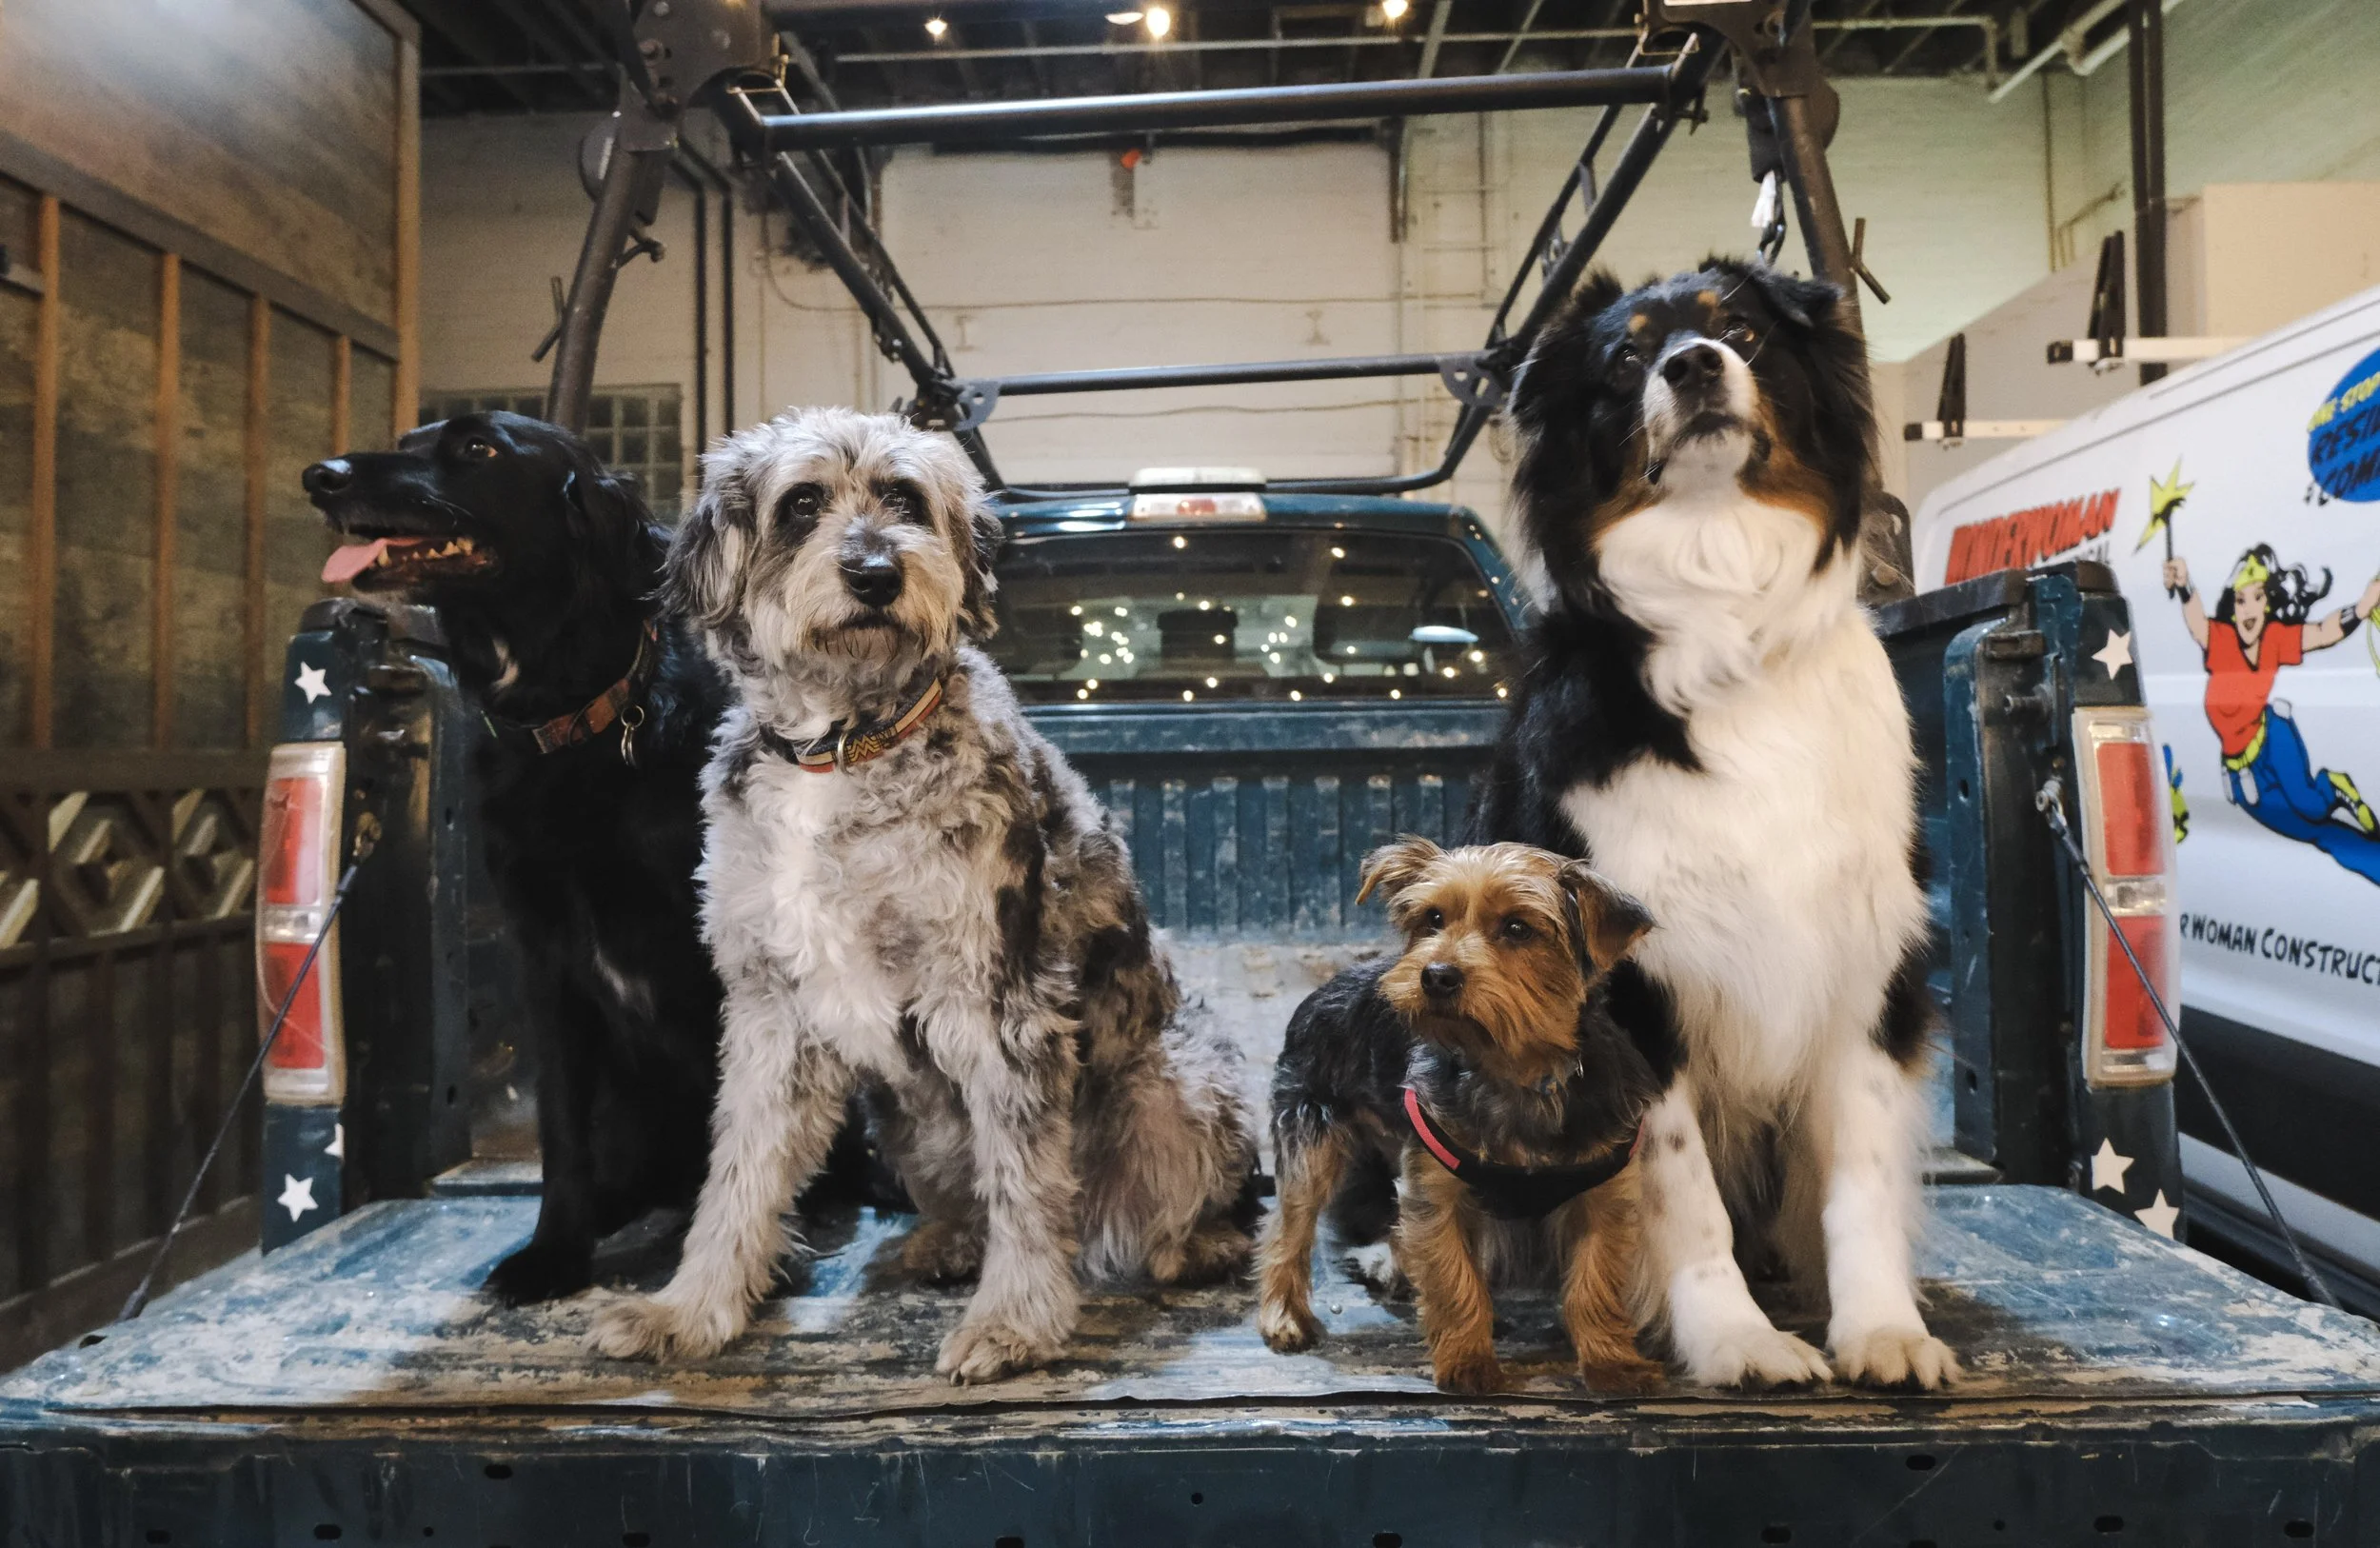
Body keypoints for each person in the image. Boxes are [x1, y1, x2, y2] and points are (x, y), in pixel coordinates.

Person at [2167, 546, 2380, 883]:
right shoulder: (2220, 641)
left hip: (2272, 737)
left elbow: (2323, 632)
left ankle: (2333, 785)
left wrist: (2363, 607)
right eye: (2240, 600)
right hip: (2240, 771)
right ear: (2233, 609)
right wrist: (2185, 584)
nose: (2248, 607)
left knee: (2309, 805)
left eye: (2257, 597)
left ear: (2268, 604)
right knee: (2304, 828)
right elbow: (2196, 622)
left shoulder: (2275, 639)